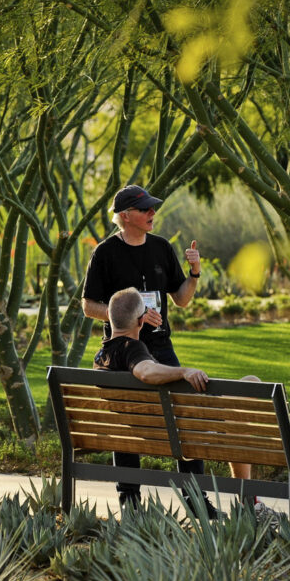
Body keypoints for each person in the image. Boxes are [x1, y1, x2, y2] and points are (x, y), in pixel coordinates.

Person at [83, 184, 216, 514]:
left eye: (153, 208)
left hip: (161, 347)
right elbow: (88, 306)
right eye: (145, 210)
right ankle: (130, 502)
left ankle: (195, 500)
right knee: (128, 422)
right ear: (125, 217)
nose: (153, 213)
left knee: (182, 418)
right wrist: (130, 315)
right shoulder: (105, 253)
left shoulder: (161, 248)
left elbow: (181, 299)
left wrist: (195, 272)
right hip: (124, 350)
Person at [98, 288, 269, 517]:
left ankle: (246, 502)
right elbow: (146, 372)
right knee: (250, 387)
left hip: (144, 430)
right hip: (178, 431)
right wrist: (184, 372)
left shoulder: (101, 357)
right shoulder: (132, 348)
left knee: (240, 401)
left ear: (110, 318)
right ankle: (248, 502)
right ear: (141, 321)